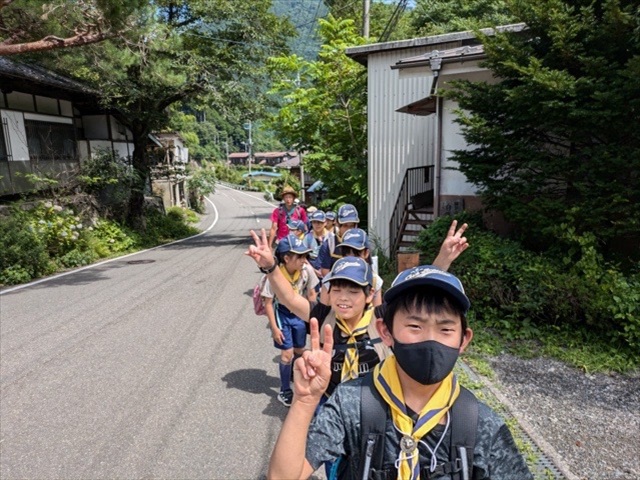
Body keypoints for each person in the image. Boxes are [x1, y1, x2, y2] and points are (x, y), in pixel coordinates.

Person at [265, 266, 534, 480]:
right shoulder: (351, 404)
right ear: (386, 332)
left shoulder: (480, 424)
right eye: (414, 326)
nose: (430, 341)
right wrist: (304, 402)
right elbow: (283, 476)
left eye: (445, 329)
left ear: (464, 340)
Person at [247, 220, 469, 401]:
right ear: (329, 291)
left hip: (377, 403)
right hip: (330, 401)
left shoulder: (382, 318)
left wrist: (442, 261)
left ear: (369, 294)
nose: (343, 297)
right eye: (338, 289)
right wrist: (270, 266)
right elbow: (289, 297)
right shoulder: (324, 317)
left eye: (353, 291)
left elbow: (418, 289)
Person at [261, 234, 319, 407]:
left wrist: (313, 320)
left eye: (305, 256)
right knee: (287, 353)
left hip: (300, 315)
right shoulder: (274, 276)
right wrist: (274, 328)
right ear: (286, 258)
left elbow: (311, 294)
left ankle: (294, 375)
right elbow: (268, 303)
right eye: (299, 256)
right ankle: (284, 390)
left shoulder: (307, 271)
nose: (304, 260)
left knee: (300, 350)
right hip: (283, 315)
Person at [321, 228, 384, 307]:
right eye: (346, 254)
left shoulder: (375, 280)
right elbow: (322, 310)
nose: (351, 259)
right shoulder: (330, 278)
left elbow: (378, 313)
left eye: (356, 254)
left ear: (366, 253)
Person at [317, 204, 359, 278]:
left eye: (351, 226)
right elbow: (325, 272)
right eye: (345, 226)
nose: (348, 230)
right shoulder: (329, 244)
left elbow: (369, 269)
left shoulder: (362, 243)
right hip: (336, 283)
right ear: (338, 224)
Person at [302, 210, 328, 280]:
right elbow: (302, 257)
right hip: (312, 265)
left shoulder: (330, 236)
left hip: (327, 266)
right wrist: (313, 270)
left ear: (325, 223)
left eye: (320, 222)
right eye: (314, 222)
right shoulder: (308, 237)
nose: (317, 225)